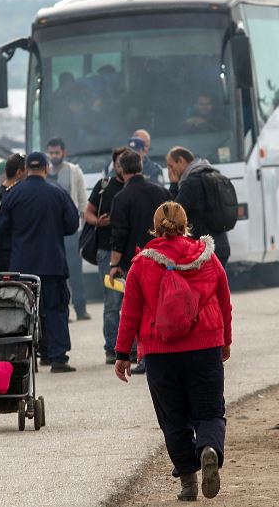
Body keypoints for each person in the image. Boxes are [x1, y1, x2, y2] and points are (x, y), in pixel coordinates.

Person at [114, 201, 231, 502]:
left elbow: (129, 312)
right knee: (210, 412)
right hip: (205, 346)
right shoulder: (208, 258)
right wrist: (225, 340)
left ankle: (188, 483)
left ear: (155, 227)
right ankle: (208, 448)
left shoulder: (141, 264)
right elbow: (224, 300)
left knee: (172, 419)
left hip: (160, 353)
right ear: (186, 223)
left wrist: (122, 353)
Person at [0, 152, 80, 373]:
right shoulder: (58, 192)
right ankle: (58, 357)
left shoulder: (12, 195)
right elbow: (72, 224)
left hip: (22, 266)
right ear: (46, 168)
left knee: (23, 311)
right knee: (55, 309)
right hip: (52, 262)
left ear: (26, 168)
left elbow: (1, 229)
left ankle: (23, 358)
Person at [109, 149, 172, 372]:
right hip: (164, 257)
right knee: (162, 304)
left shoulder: (121, 198)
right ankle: (165, 349)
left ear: (121, 169)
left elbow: (119, 234)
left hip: (135, 262)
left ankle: (144, 356)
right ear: (141, 166)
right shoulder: (161, 192)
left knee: (139, 308)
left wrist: (114, 265)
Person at [84, 147, 128, 365]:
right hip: (106, 251)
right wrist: (97, 221)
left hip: (131, 253)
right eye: (118, 162)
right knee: (112, 302)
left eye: (125, 162)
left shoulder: (136, 185)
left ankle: (135, 349)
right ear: (114, 165)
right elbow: (88, 212)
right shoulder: (104, 186)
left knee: (133, 301)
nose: (121, 166)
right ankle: (111, 348)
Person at [166, 146, 231, 268]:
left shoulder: (191, 183)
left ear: (181, 161)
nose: (170, 170)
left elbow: (173, 214)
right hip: (221, 247)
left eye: (170, 166)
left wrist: (173, 185)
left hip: (203, 252)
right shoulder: (214, 175)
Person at [46, 138, 90, 321]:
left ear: (64, 152)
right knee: (57, 273)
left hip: (71, 231)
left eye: (57, 152)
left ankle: (80, 308)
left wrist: (84, 227)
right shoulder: (45, 172)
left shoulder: (74, 171)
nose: (54, 156)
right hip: (51, 233)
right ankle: (63, 311)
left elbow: (82, 202)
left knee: (75, 272)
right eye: (51, 153)